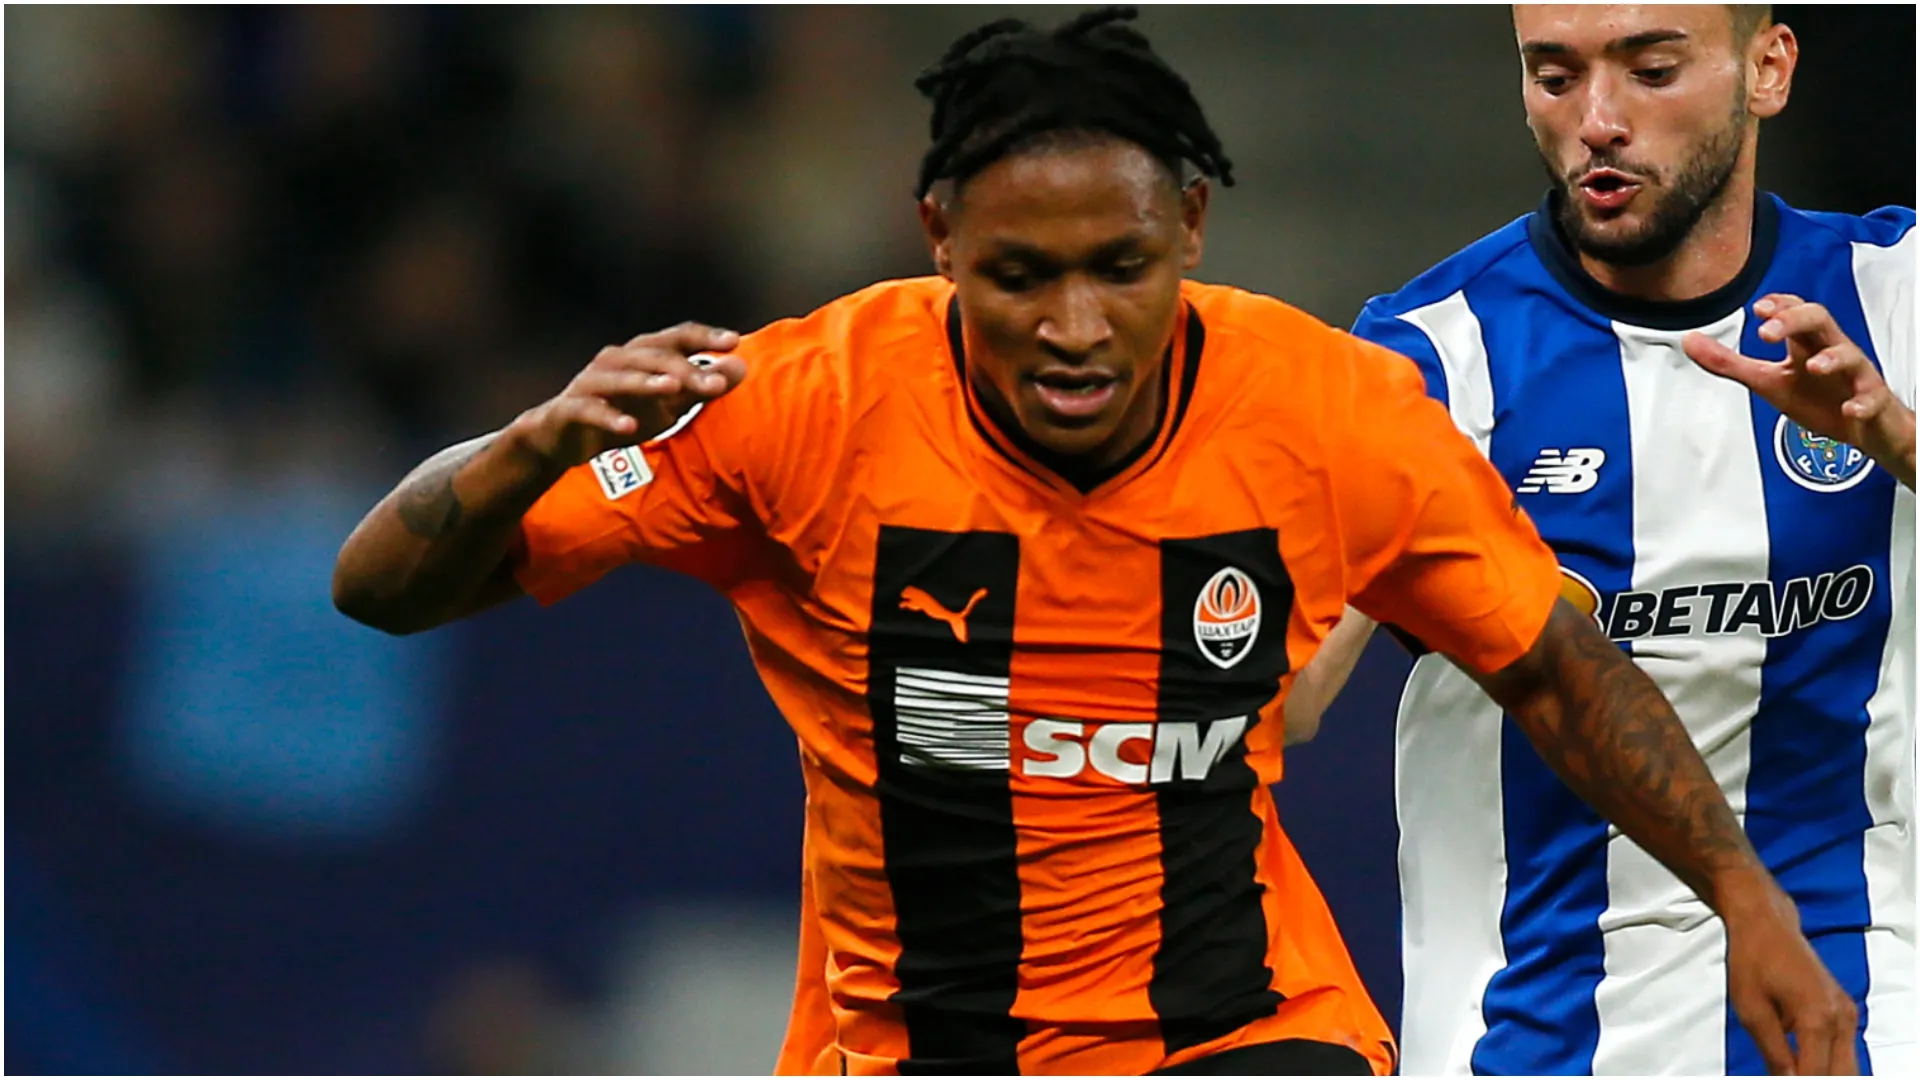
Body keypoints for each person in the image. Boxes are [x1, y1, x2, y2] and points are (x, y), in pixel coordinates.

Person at [333, 8, 1856, 1075]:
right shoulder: (802, 406)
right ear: (939, 240)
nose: (1075, 327)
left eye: (1120, 267)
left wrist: (1745, 896)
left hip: (1246, 1036)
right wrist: (531, 440)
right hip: (913, 1049)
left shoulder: (1331, 415)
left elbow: (1559, 667)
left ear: (1191, 224)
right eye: (1020, 276)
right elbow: (381, 592)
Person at [1291, 4, 1914, 1075]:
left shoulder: (1893, 293)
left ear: (1767, 70)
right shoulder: (1430, 359)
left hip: (1874, 1013)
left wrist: (1899, 440)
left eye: (1651, 70)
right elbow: (1286, 698)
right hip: (1533, 1034)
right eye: (1555, 75)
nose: (1598, 120)